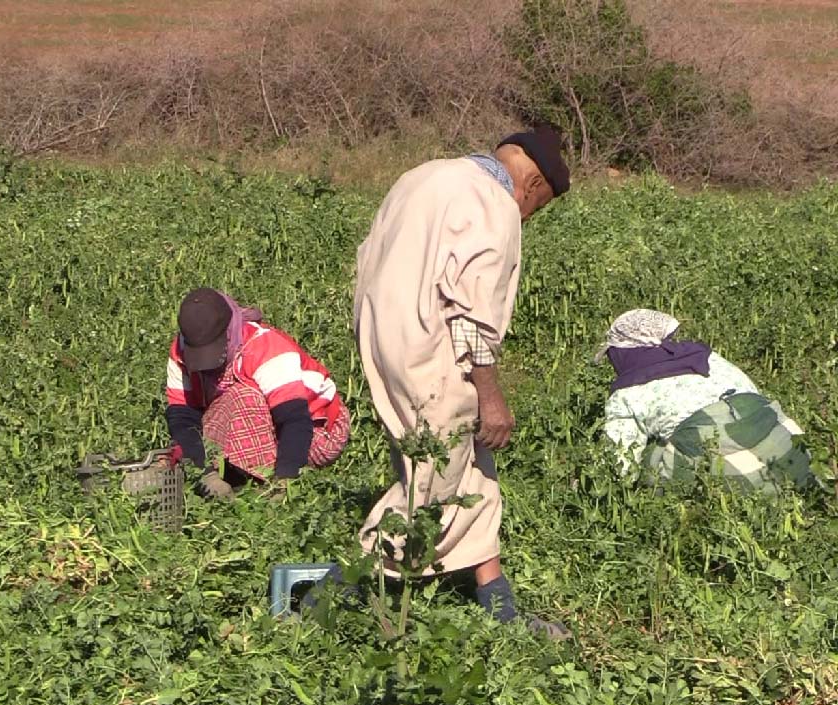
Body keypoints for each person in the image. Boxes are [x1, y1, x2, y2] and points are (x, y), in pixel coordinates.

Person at [352, 127, 570, 637]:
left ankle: (501, 608)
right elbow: (472, 313)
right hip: (434, 354)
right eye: (538, 205)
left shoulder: (422, 177)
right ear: (533, 183)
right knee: (434, 485)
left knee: (474, 467)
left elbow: (367, 260)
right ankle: (342, 587)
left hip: (383, 342)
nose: (529, 214)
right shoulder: (493, 204)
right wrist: (490, 396)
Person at [599, 309, 814, 492]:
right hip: (791, 453)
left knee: (650, 454)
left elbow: (619, 463)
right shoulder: (707, 357)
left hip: (726, 468)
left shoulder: (626, 394)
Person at [165, 288, 350, 497]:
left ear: (228, 332)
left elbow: (295, 419)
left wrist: (285, 482)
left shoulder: (264, 347)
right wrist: (203, 472)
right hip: (267, 429)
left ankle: (261, 484)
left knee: (241, 395)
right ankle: (228, 475)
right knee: (225, 403)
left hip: (316, 432)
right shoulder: (181, 352)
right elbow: (183, 416)